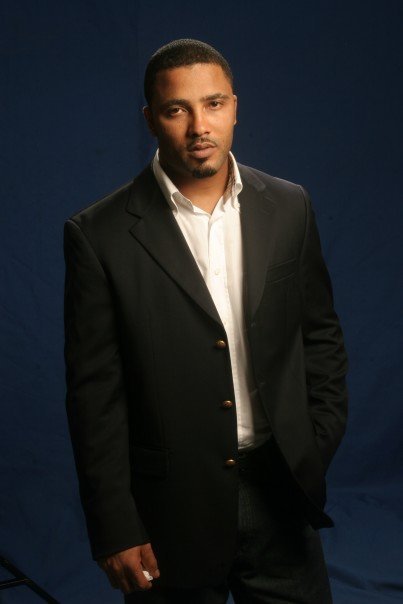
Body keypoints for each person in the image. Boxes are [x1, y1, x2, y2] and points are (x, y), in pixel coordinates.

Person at [64, 39, 348, 604]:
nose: (200, 126)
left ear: (235, 107)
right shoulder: (98, 235)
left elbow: (320, 336)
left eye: (214, 104)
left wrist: (313, 443)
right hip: (169, 509)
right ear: (151, 119)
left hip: (280, 490)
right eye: (177, 109)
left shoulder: (290, 206)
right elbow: (95, 397)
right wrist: (115, 526)